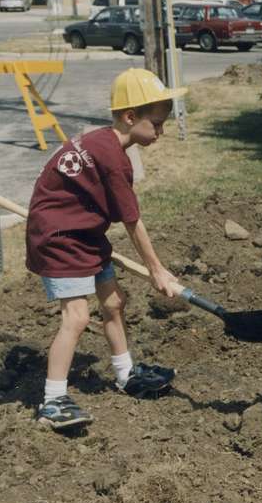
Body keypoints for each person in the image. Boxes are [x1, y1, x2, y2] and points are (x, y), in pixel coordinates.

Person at [26, 68, 182, 430]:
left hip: (84, 232)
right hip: (60, 238)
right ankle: (52, 401)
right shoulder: (112, 158)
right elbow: (132, 221)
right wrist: (158, 271)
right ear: (130, 117)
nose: (161, 131)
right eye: (156, 123)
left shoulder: (104, 144)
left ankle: (125, 374)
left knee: (113, 303)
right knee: (77, 318)